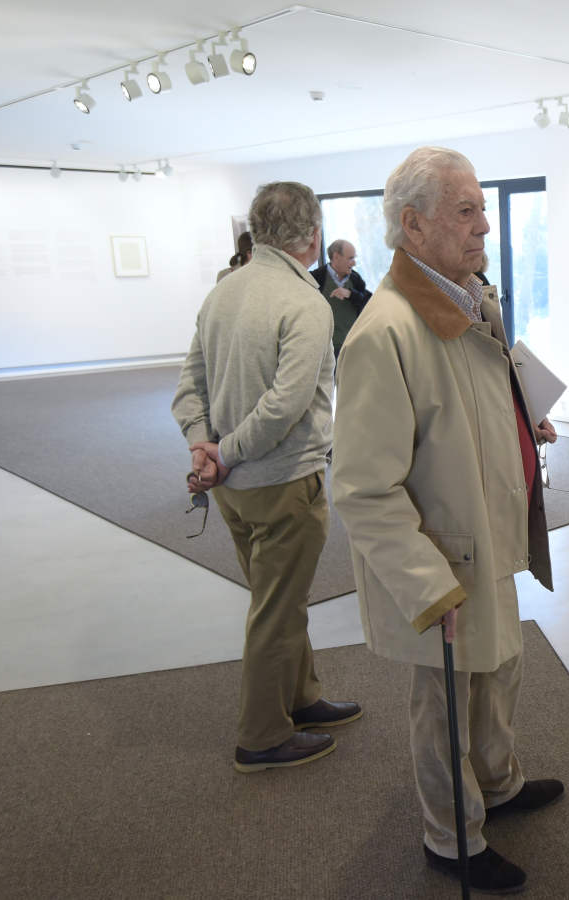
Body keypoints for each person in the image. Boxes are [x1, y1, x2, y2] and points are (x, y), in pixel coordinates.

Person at [331, 147, 561, 894]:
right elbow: (363, 488)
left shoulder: (470, 300)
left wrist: (521, 420)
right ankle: (450, 838)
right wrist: (426, 585)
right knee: (446, 707)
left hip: (489, 537)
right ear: (414, 225)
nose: (484, 226)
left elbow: (465, 408)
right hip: (444, 561)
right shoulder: (385, 333)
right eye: (465, 212)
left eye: (482, 209)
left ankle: (498, 784)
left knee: (500, 674)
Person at [172, 182, 361, 774]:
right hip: (282, 483)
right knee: (277, 610)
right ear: (313, 236)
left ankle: (300, 698)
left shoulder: (223, 291)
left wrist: (203, 447)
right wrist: (223, 453)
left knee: (278, 599)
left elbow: (189, 383)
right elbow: (286, 406)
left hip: (235, 489)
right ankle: (261, 735)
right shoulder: (305, 302)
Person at [310, 239, 373, 357]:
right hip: (325, 350)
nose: (354, 263)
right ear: (336, 257)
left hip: (353, 346)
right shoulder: (315, 278)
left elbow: (370, 303)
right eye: (350, 258)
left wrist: (351, 294)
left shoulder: (355, 279)